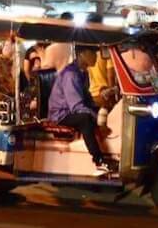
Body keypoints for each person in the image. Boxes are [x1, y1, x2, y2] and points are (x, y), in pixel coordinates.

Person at [47, 45, 111, 175]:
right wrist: (95, 115)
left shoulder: (82, 72)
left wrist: (99, 109)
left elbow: (87, 98)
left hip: (71, 110)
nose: (96, 56)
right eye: (93, 52)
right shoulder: (71, 74)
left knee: (101, 111)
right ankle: (98, 160)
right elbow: (76, 106)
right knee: (85, 119)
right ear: (82, 54)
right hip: (61, 114)